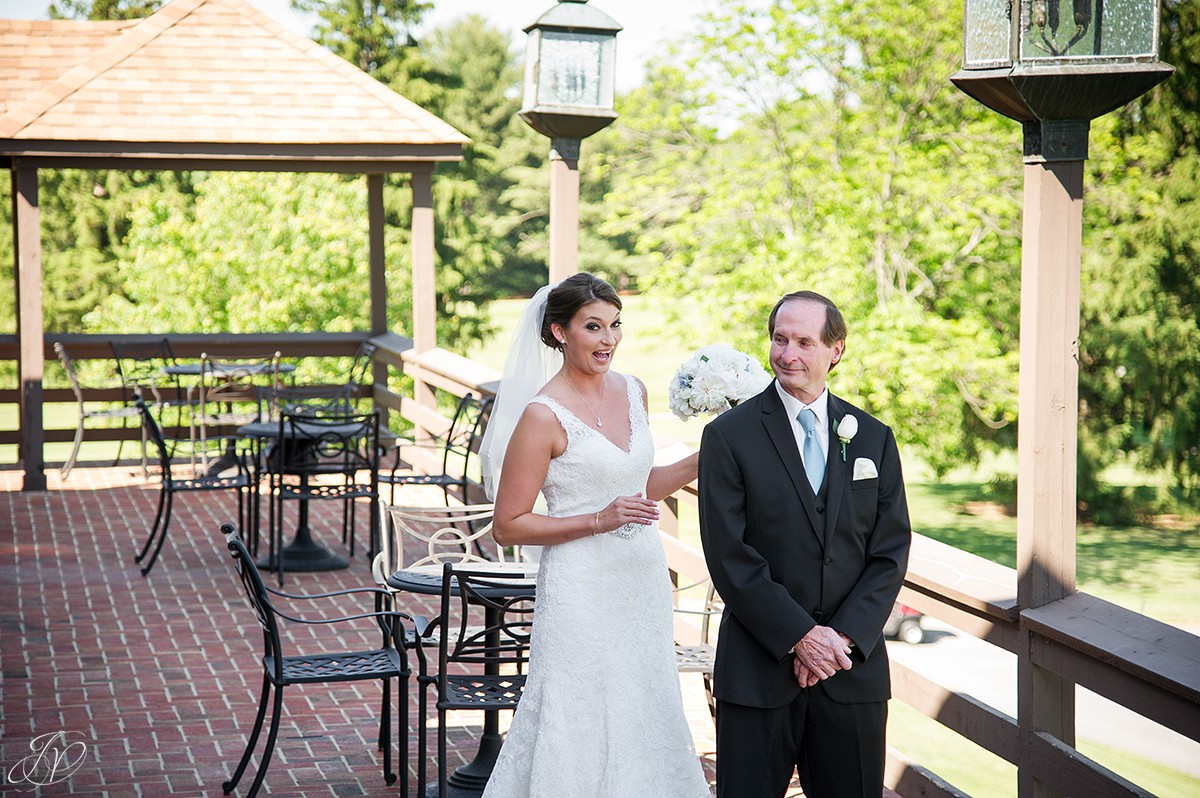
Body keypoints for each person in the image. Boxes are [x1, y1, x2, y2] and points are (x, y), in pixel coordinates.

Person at [478, 272, 712, 798]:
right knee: (580, 707)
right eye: (593, 326)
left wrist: (704, 456)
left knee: (645, 698)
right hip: (580, 588)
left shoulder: (634, 390)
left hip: (641, 578)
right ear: (560, 332)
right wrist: (596, 521)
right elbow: (509, 522)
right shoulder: (542, 416)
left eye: (614, 325)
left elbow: (639, 484)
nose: (608, 339)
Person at [697, 291, 912, 798]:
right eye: (779, 339)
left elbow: (889, 552)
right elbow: (728, 555)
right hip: (756, 672)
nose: (788, 354)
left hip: (850, 670)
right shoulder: (728, 436)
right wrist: (801, 636)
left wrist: (840, 640)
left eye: (804, 342)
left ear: (835, 350)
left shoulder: (873, 439)